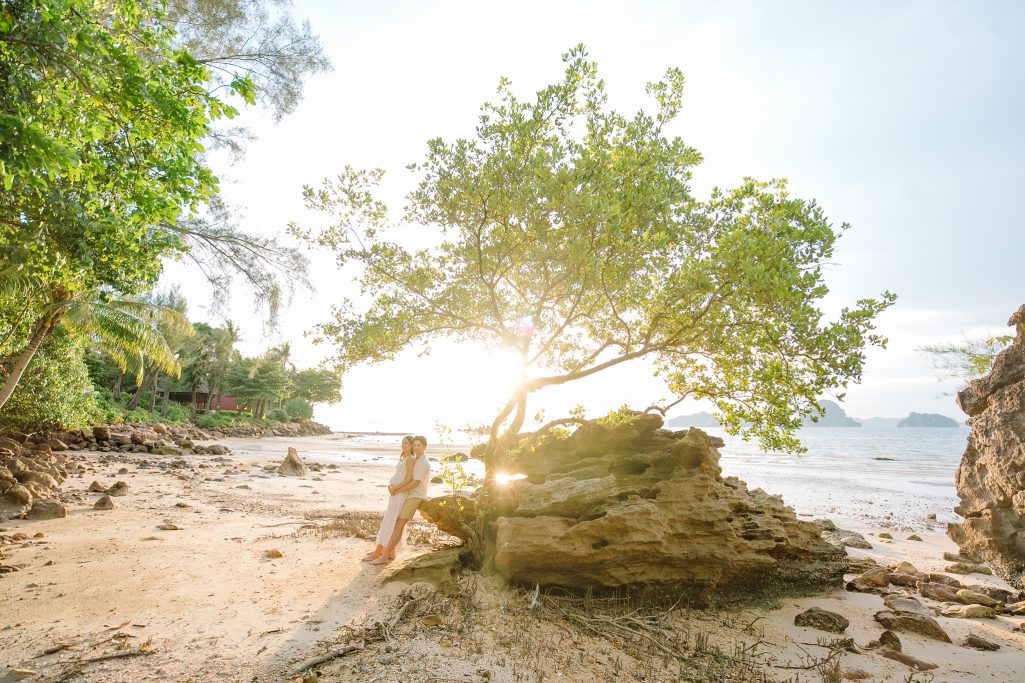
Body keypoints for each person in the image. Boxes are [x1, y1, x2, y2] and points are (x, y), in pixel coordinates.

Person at [370, 434, 431, 565]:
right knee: (397, 523)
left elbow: (414, 483)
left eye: (419, 445)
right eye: (415, 445)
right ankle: (390, 553)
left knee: (399, 524)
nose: (416, 447)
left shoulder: (424, 462)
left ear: (425, 447)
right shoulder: (417, 459)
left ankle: (384, 556)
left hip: (415, 496)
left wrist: (396, 489)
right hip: (409, 495)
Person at [362, 435, 415, 563]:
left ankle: (378, 552)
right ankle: (390, 552)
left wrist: (395, 488)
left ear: (412, 445)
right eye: (402, 443)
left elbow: (409, 479)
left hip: (400, 494)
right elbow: (399, 476)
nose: (403, 445)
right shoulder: (404, 457)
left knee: (390, 521)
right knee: (390, 520)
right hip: (395, 493)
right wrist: (391, 487)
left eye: (406, 443)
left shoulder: (410, 459)